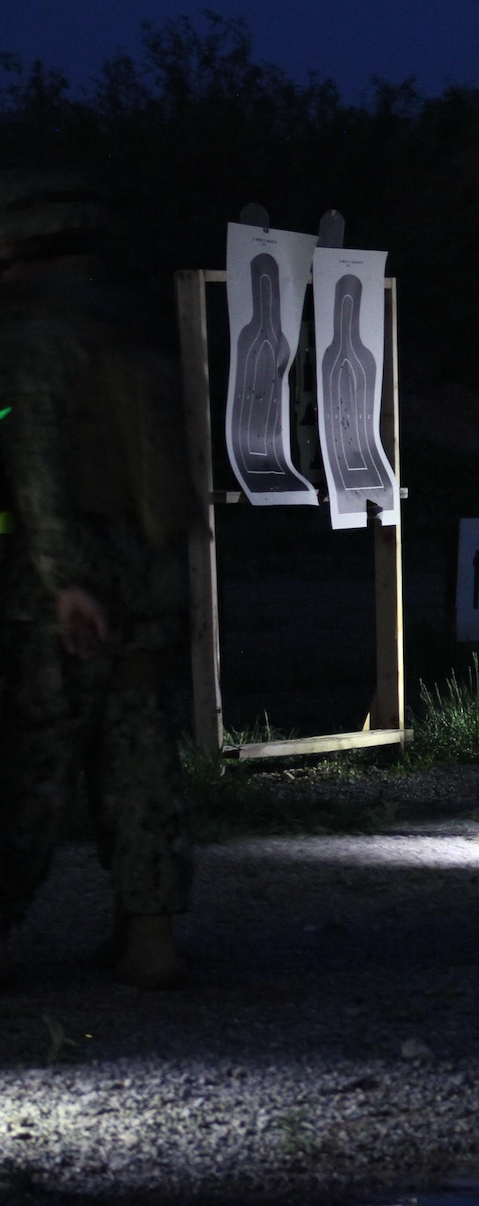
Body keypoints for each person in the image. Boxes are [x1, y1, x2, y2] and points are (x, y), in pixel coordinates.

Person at [0, 170, 194, 988]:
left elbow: (38, 473)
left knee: (31, 766)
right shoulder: (135, 327)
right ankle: (151, 937)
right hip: (149, 581)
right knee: (141, 761)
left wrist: (63, 581)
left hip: (60, 592)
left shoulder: (34, 338)